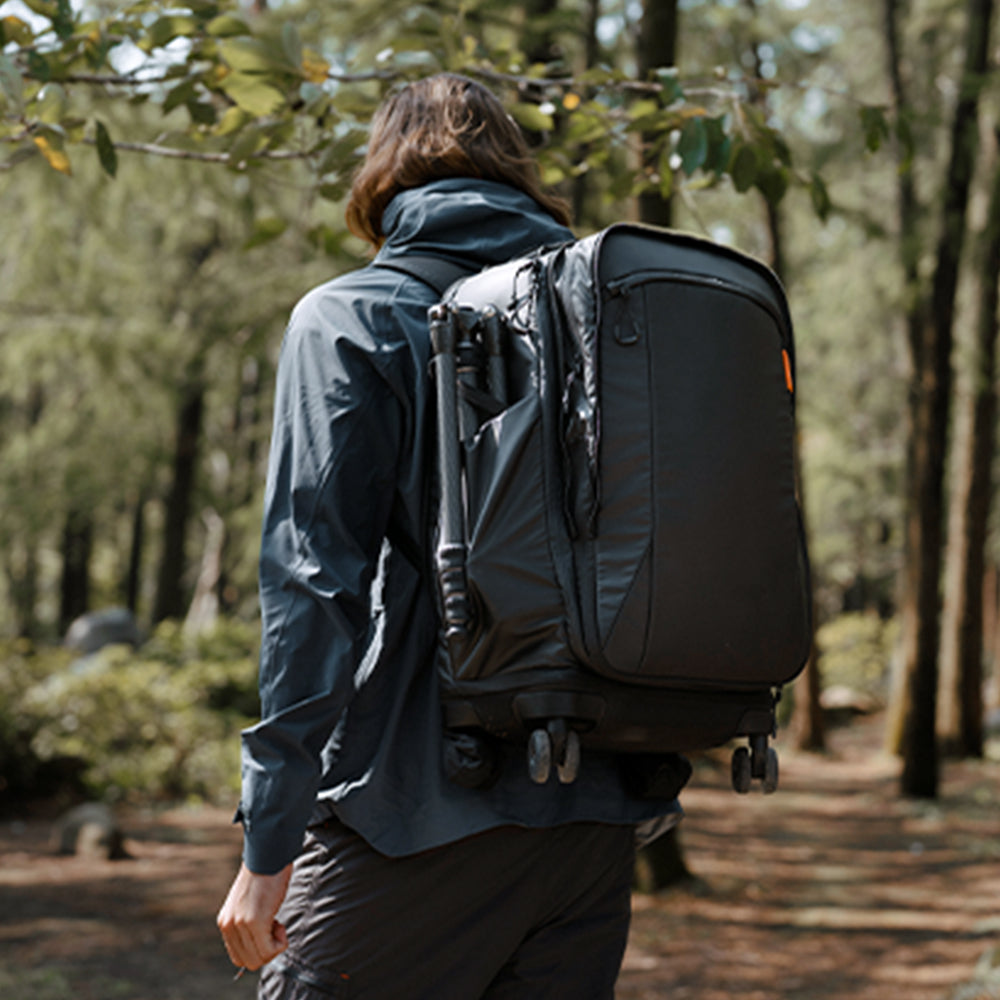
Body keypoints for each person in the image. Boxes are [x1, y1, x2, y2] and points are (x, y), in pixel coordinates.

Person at [217, 72, 681, 1000]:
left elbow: (312, 587)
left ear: (382, 181)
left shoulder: (352, 315)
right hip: (593, 819)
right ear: (519, 174)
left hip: (418, 808)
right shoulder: (619, 323)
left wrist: (270, 839)